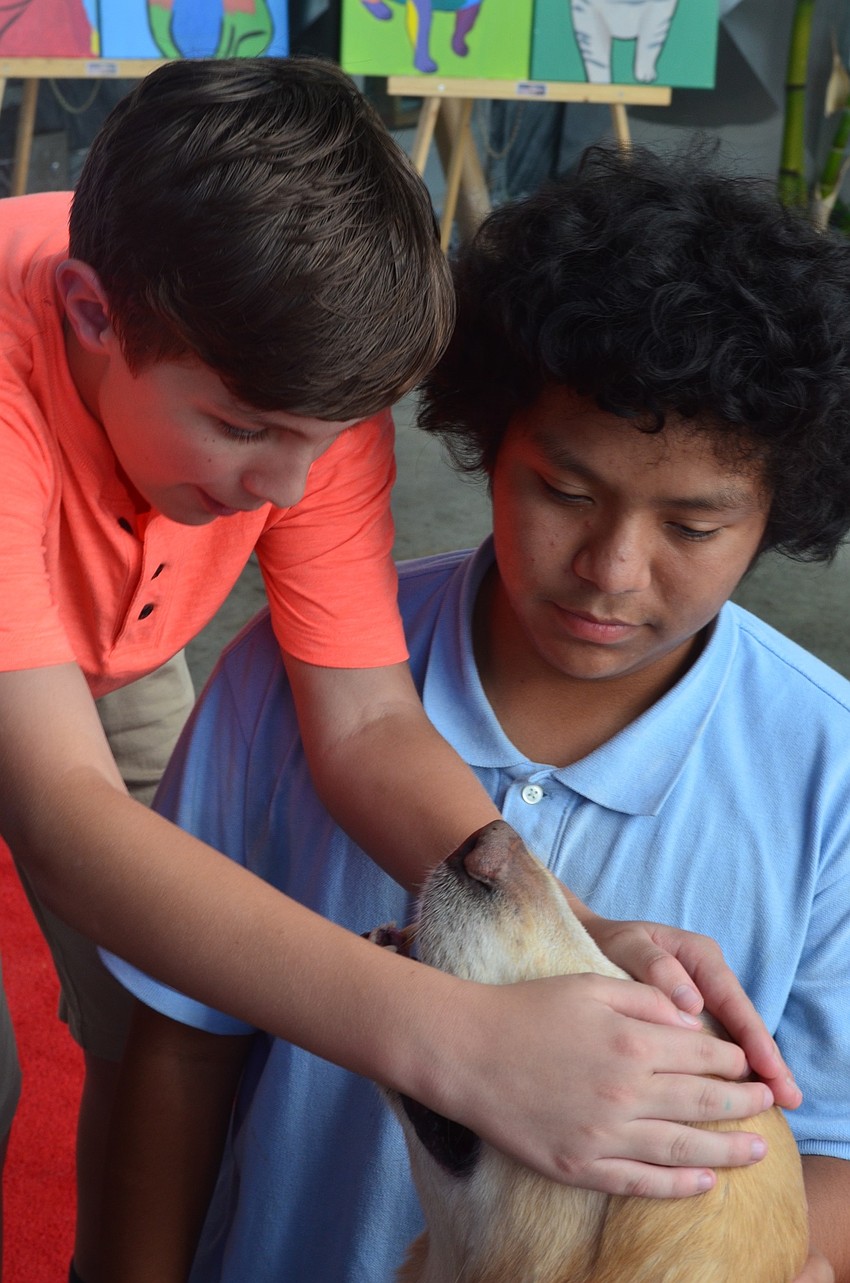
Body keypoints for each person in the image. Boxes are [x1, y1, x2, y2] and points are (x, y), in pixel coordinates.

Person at [0, 62, 781, 1283]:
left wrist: (575, 930)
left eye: (331, 438)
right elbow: (58, 809)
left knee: (142, 998)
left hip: (101, 639)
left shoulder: (296, 376)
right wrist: (457, 1042)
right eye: (246, 428)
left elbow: (363, 719)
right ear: (93, 315)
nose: (289, 494)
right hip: (43, 657)